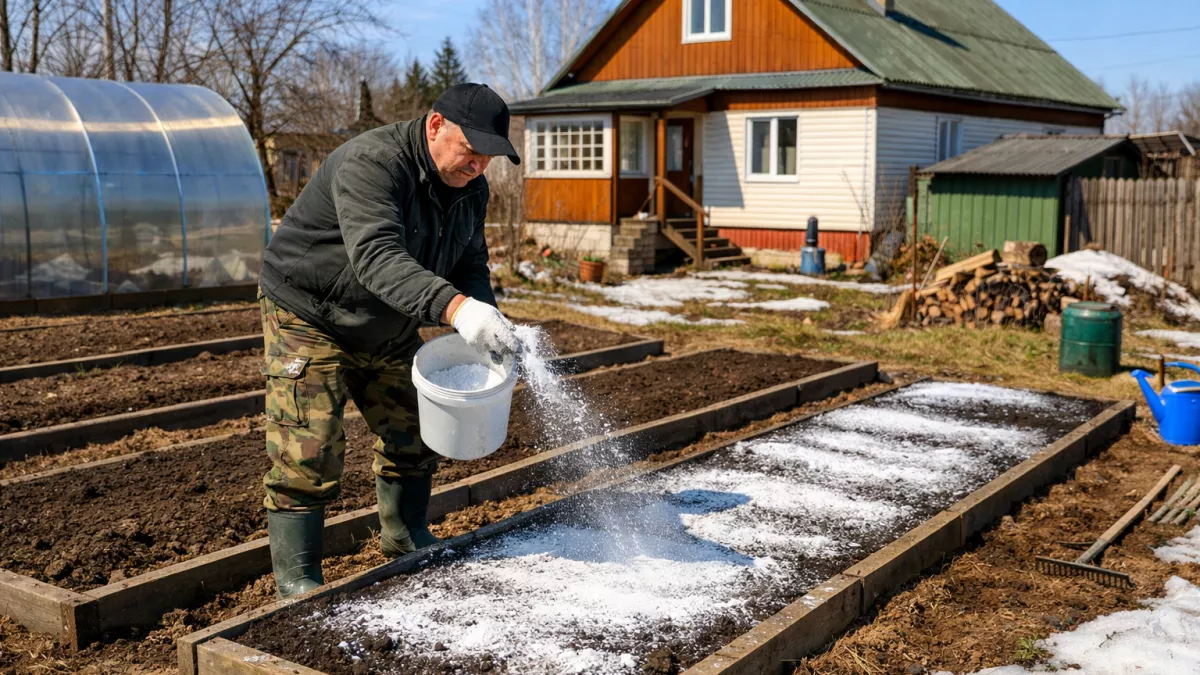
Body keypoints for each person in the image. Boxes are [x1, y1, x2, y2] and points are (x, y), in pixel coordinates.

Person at [256, 83, 520, 598]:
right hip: (311, 313)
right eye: (471, 152)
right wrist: (456, 309)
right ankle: (298, 578)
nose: (478, 167)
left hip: (390, 316)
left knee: (416, 426)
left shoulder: (471, 187)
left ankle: (403, 533)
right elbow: (376, 256)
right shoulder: (372, 163)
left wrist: (483, 317)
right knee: (309, 445)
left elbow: (468, 261)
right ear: (436, 125)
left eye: (488, 158)